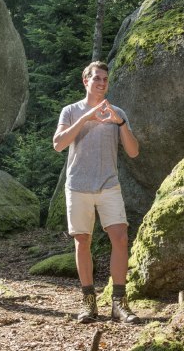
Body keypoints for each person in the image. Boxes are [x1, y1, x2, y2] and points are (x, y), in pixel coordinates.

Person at [53, 61, 140, 324]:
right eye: (97, 79)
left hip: (108, 185)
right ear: (86, 81)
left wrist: (121, 122)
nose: (102, 83)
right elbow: (58, 145)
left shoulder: (118, 112)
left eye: (105, 80)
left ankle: (119, 304)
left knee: (121, 238)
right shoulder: (70, 111)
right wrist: (85, 118)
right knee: (82, 242)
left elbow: (134, 151)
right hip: (78, 185)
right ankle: (89, 304)